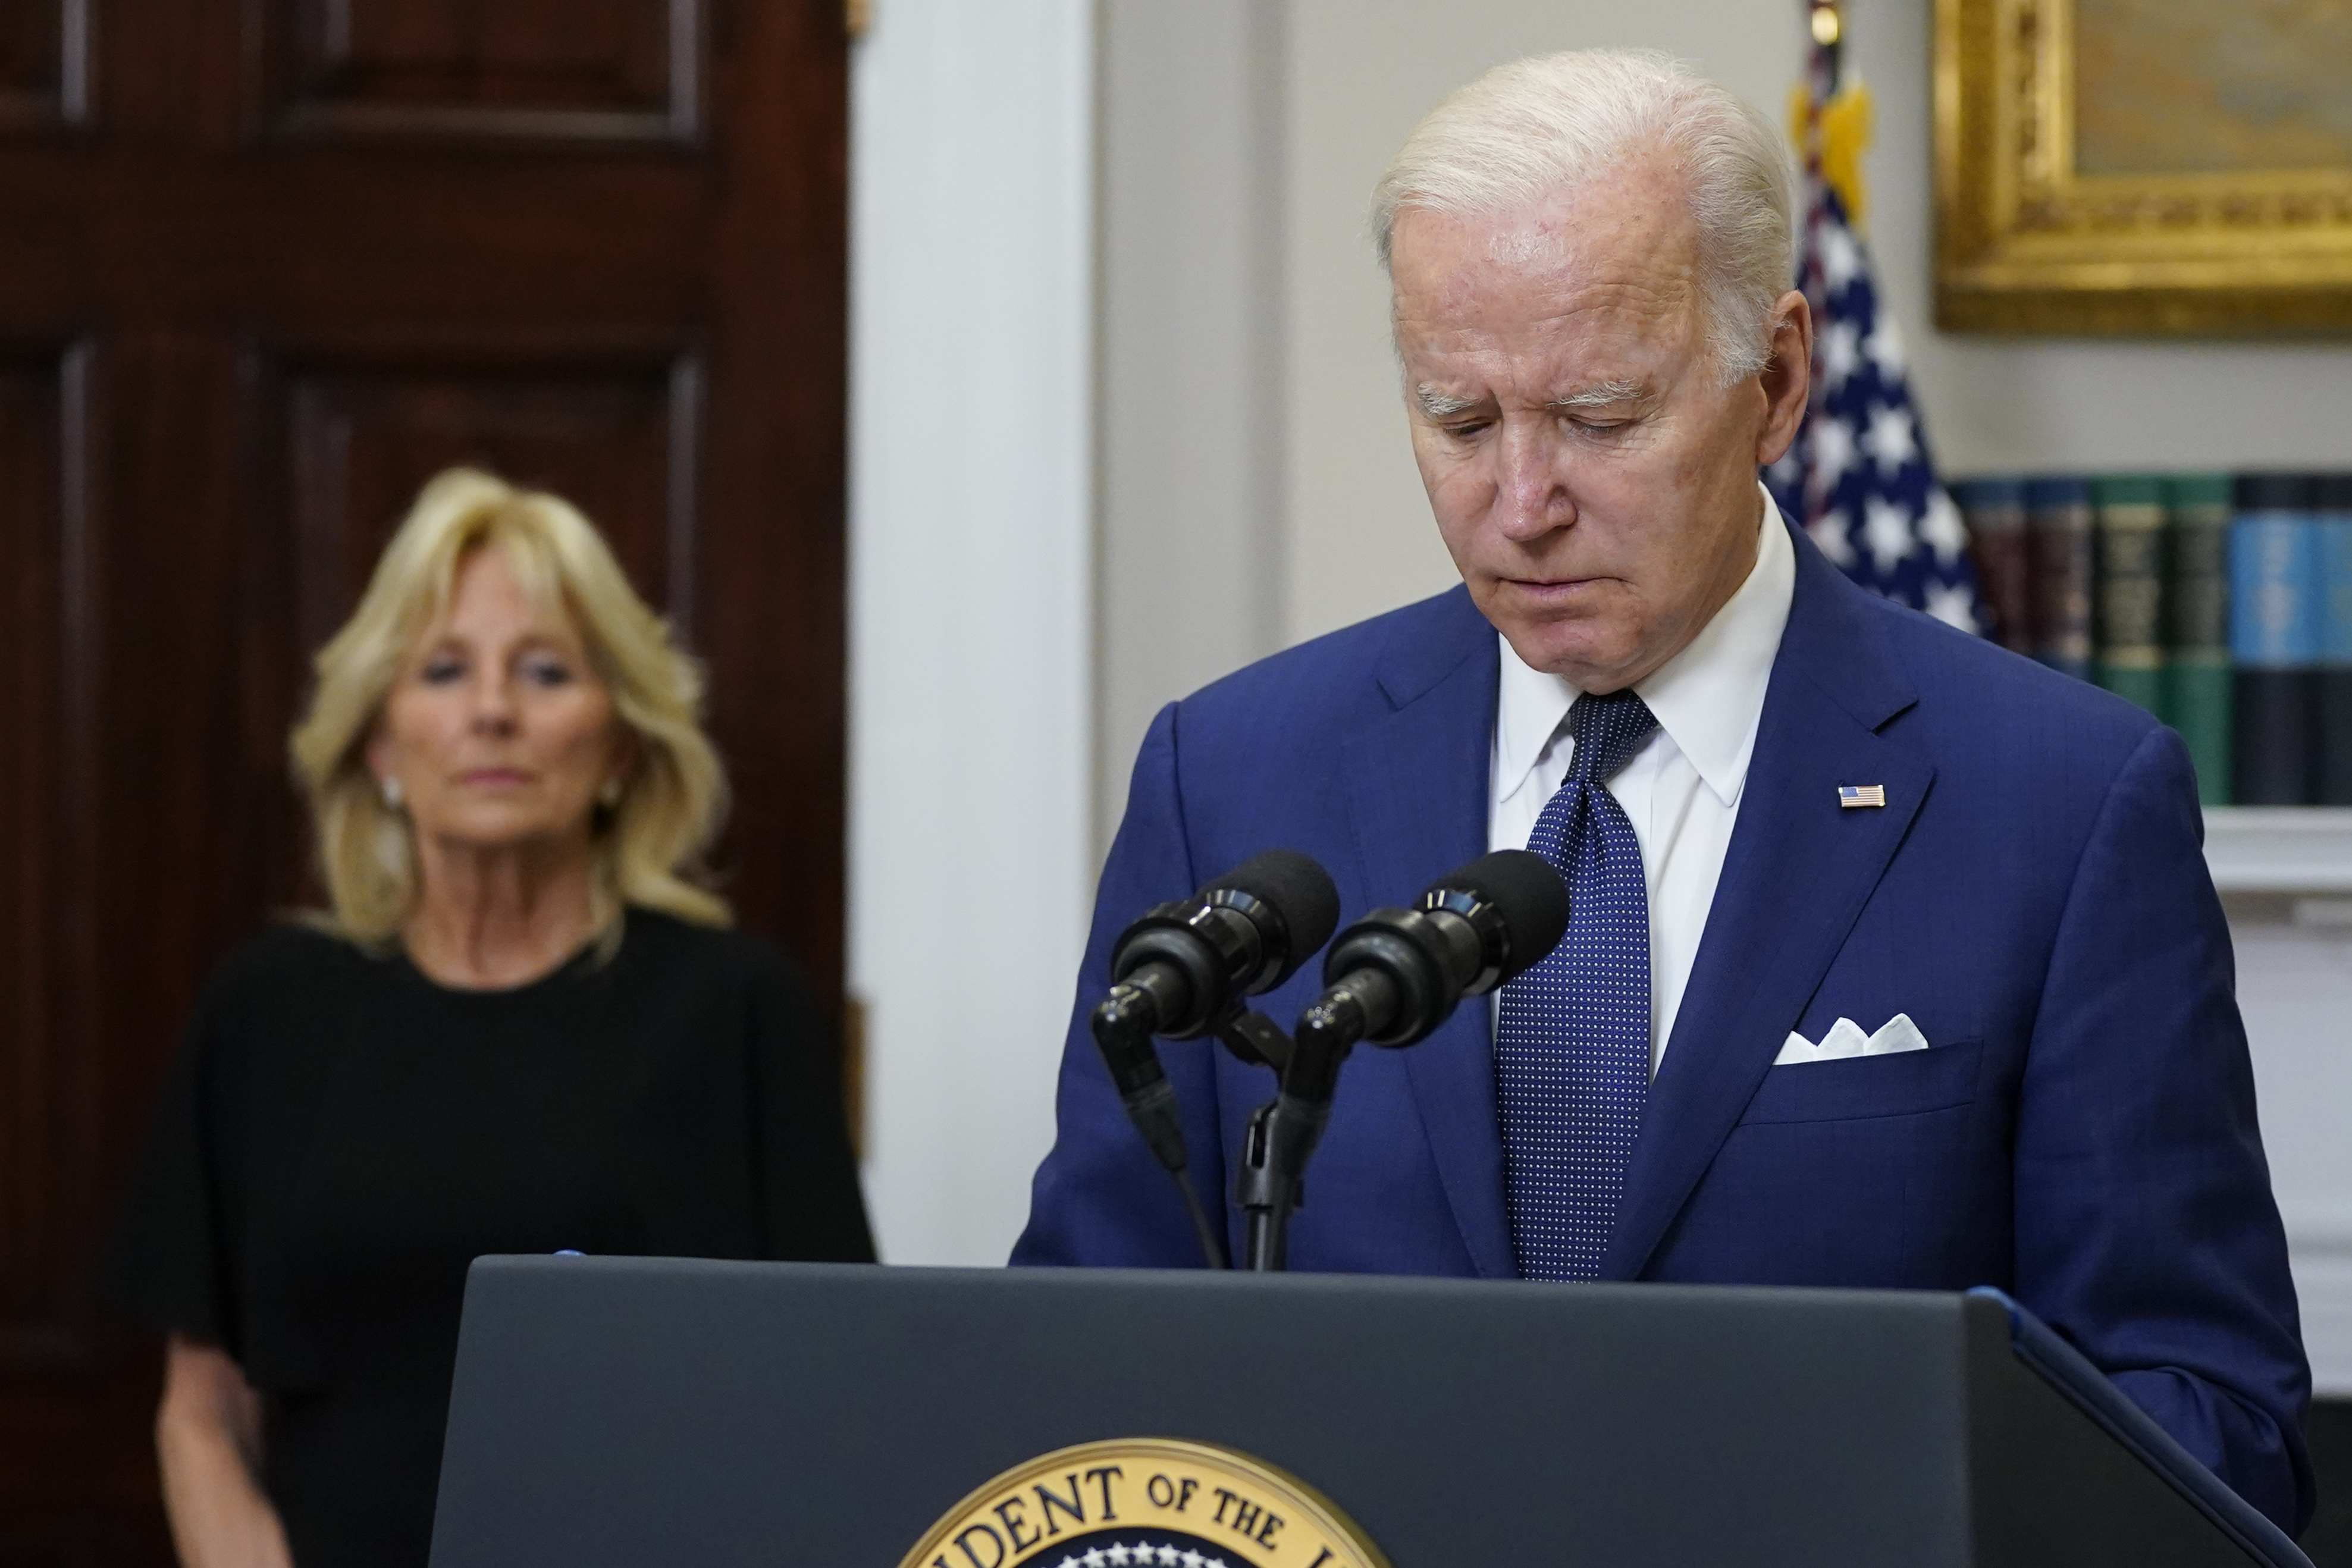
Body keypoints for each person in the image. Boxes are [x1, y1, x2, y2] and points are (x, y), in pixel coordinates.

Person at [1014, 49, 2311, 1533]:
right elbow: (1081, 1373)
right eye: (1458, 418)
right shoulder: (1233, 771)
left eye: (1601, 418)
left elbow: (2205, 1419)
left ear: (1778, 382)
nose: (1522, 503)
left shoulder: (2061, 804)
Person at [104, 468, 873, 1567]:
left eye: (548, 671)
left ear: (619, 744)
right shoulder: (269, 1009)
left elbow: (824, 1392)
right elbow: (204, 1409)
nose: (493, 709)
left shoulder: (735, 1009)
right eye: (445, 669)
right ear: (379, 742)